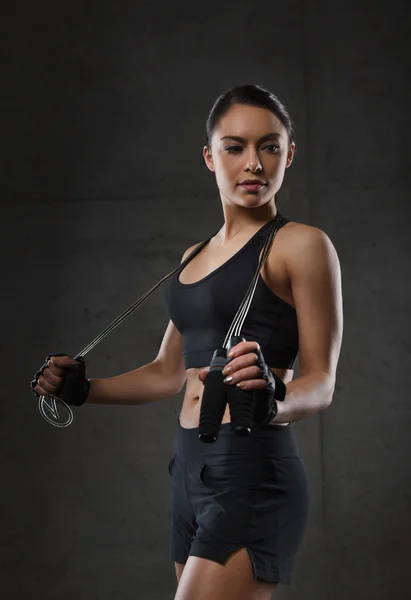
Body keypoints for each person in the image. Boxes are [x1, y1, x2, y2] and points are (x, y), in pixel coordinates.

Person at [33, 84, 343, 600]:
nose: (253, 164)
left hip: (250, 469)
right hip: (188, 472)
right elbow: (167, 372)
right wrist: (84, 390)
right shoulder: (193, 254)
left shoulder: (302, 245)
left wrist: (275, 401)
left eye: (269, 146)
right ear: (209, 156)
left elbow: (321, 381)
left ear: (289, 154)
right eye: (234, 146)